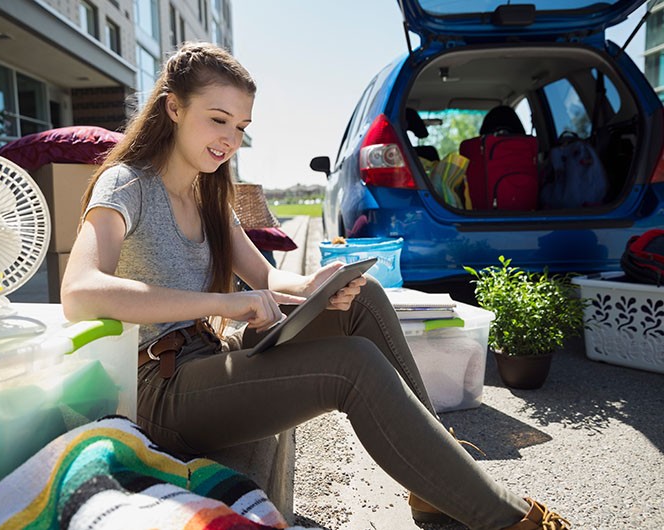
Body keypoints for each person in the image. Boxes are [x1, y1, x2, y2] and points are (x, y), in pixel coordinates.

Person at [60, 41, 570, 530]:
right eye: (218, 120)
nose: (230, 140)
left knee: (362, 297)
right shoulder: (127, 184)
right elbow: (80, 291)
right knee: (351, 365)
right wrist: (224, 302)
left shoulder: (209, 190)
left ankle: (436, 474)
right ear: (173, 108)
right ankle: (507, 520)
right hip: (164, 387)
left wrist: (313, 286)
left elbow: (266, 277)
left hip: (211, 354)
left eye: (241, 127)